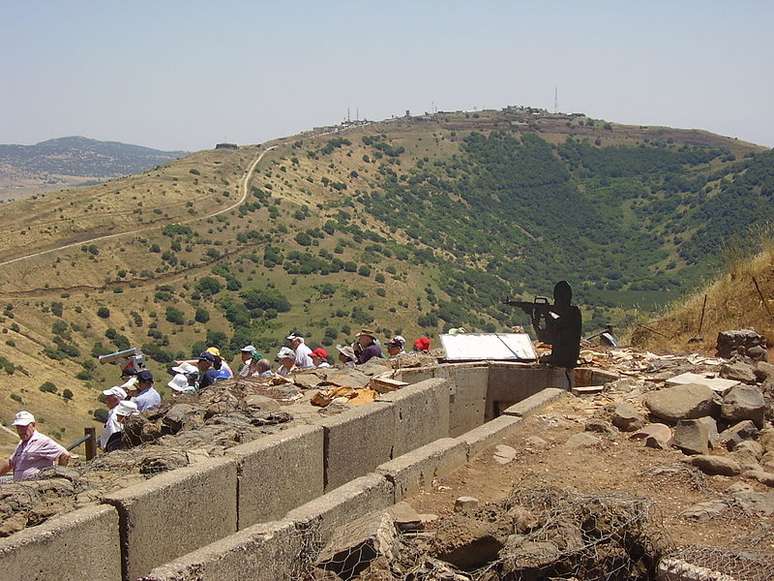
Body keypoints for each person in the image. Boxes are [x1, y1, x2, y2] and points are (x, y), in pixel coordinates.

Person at [535, 281, 582, 387]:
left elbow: (552, 332)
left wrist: (546, 314)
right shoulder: (572, 313)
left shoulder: (573, 313)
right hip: (564, 357)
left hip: (566, 358)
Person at [0, 411, 70, 481]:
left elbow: (64, 454)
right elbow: (10, 463)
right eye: (18, 427)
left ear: (33, 425)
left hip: (36, 488)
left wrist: (58, 479)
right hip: (21, 488)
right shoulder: (22, 443)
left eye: (24, 427)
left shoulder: (42, 441)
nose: (20, 430)